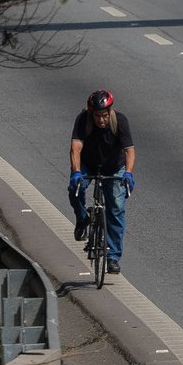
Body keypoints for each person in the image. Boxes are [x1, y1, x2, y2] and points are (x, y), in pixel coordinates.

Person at [68, 89, 135, 275]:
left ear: (110, 112)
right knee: (75, 188)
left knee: (116, 207)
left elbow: (129, 150)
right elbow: (75, 148)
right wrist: (77, 172)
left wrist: (128, 173)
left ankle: (113, 257)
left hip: (114, 167)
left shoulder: (119, 121)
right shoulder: (83, 120)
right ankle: (82, 219)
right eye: (97, 116)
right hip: (89, 164)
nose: (101, 120)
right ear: (91, 113)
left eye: (104, 116)